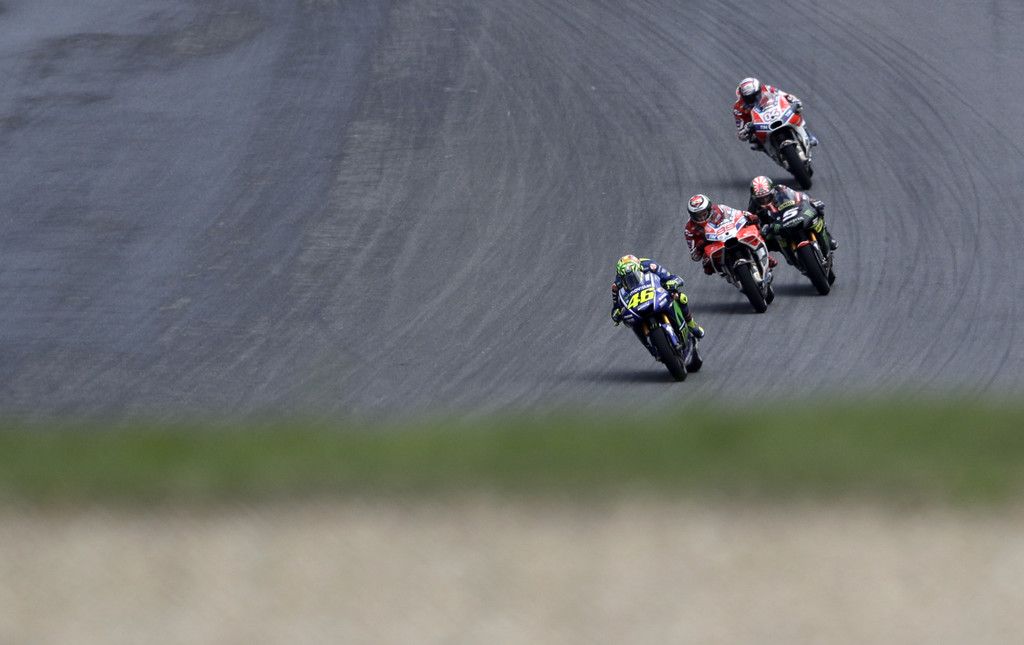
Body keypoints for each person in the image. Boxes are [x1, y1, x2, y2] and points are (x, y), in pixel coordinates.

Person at [611, 255, 704, 356]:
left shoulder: (649, 265)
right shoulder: (617, 284)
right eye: (627, 278)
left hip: (656, 293)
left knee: (680, 297)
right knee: (632, 322)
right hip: (638, 304)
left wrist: (673, 282)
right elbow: (616, 305)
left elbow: (669, 277)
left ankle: (690, 323)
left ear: (639, 267)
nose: (631, 279)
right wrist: (617, 313)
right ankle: (650, 347)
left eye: (634, 274)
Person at [683, 193, 775, 275]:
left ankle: (765, 256)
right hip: (714, 245)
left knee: (754, 228)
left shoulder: (719, 209)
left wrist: (749, 216)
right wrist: (699, 246)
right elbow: (695, 256)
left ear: (709, 209)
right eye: (698, 216)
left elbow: (738, 213)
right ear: (692, 215)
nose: (702, 217)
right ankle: (729, 272)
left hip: (731, 234)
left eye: (704, 213)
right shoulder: (689, 229)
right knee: (707, 266)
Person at [746, 176, 838, 251]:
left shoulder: (780, 189)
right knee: (762, 244)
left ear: (772, 191)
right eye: (761, 199)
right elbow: (749, 221)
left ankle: (828, 237)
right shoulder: (753, 205)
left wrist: (811, 201)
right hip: (774, 227)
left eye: (767, 197)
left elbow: (797, 196)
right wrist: (761, 229)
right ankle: (768, 263)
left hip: (790, 216)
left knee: (818, 211)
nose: (764, 200)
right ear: (754, 198)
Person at [732, 77, 818, 147]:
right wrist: (745, 130)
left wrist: (794, 101)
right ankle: (768, 148)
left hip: (774, 112)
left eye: (756, 95)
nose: (754, 99)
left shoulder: (767, 89)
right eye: (749, 98)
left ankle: (809, 136)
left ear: (759, 89)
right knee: (754, 140)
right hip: (758, 125)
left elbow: (784, 95)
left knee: (796, 110)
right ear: (742, 97)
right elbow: (741, 131)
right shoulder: (738, 108)